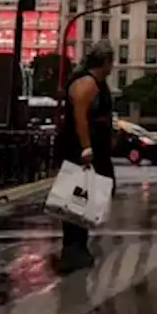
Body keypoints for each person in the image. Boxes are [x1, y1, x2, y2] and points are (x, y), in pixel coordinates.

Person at [57, 42, 115, 272]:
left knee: (87, 198)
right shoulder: (86, 83)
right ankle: (72, 249)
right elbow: (80, 116)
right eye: (111, 61)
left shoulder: (95, 83)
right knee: (76, 199)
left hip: (93, 149)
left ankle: (78, 247)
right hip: (79, 149)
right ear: (105, 62)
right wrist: (86, 148)